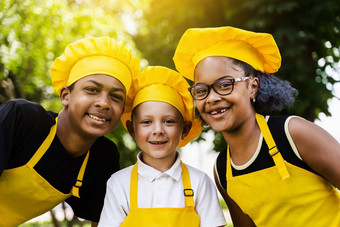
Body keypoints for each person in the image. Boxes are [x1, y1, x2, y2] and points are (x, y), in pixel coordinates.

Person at [173, 26, 340, 226]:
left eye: (225, 85)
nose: (212, 98)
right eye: (202, 90)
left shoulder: (293, 134)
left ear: (253, 86)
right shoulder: (223, 169)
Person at [0, 36, 141, 226]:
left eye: (116, 97)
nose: (104, 103)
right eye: (92, 89)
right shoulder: (22, 119)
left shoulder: (101, 158)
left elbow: (105, 220)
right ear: (65, 95)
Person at [98, 66, 227, 227]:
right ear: (132, 130)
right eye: (146, 122)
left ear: (185, 129)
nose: (158, 130)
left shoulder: (200, 182)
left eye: (169, 121)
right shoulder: (119, 183)